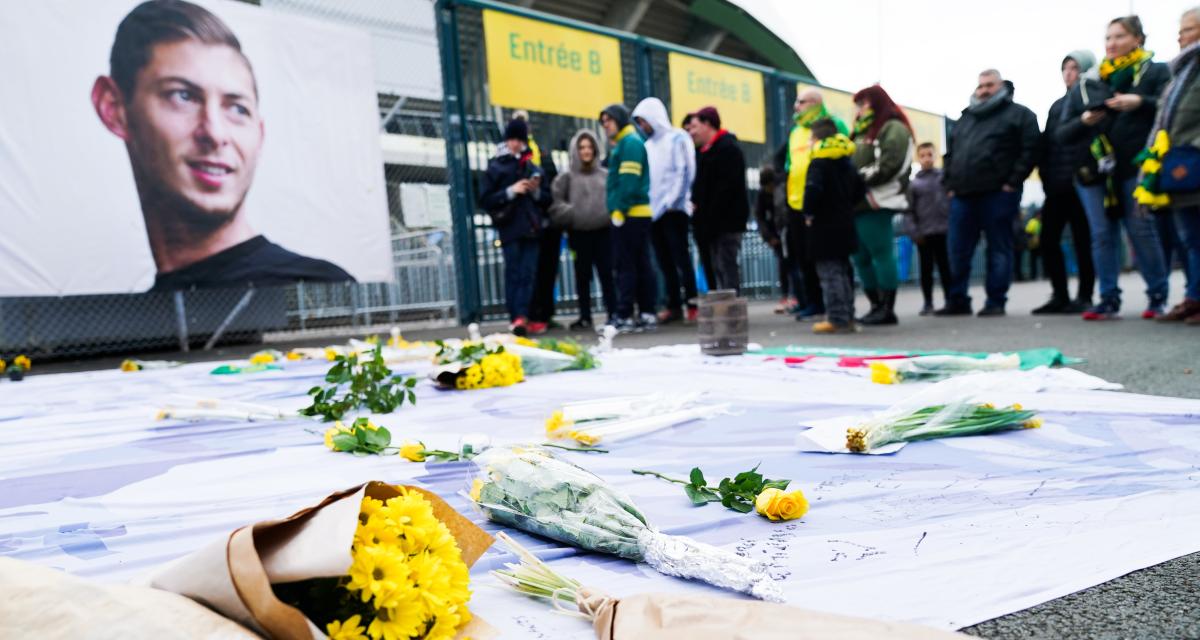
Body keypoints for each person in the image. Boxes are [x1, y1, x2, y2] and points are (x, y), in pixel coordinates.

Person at [91, 0, 353, 291]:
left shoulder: (314, 288)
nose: (215, 134)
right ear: (113, 108)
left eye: (238, 109)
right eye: (182, 96)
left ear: (259, 134)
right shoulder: (140, 311)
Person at [1059, 16, 1170, 320]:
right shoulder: (1090, 83)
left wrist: (1140, 102)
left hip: (1136, 167)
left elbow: (1169, 107)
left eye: (1119, 36)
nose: (1111, 43)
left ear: (1138, 39)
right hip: (1095, 173)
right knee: (1101, 235)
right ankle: (1108, 298)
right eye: (1108, 37)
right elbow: (1062, 132)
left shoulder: (1156, 72)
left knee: (1141, 230)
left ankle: (1157, 296)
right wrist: (1083, 121)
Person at [940, 69, 1040, 317]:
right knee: (957, 249)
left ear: (1001, 86)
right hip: (962, 194)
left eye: (990, 85)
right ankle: (957, 300)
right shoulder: (966, 118)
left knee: (998, 247)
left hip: (998, 193)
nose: (984, 90)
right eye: (981, 85)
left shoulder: (1020, 115)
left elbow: (1031, 150)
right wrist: (949, 185)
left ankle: (995, 301)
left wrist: (1012, 182)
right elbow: (951, 153)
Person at [1137, 7, 1200, 324]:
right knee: (1189, 238)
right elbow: (1162, 123)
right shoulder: (1180, 73)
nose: (1180, 37)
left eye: (1187, 29)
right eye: (1180, 30)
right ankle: (1194, 297)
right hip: (1179, 167)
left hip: (1192, 160)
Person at [775, 89, 851, 320]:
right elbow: (789, 164)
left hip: (824, 205)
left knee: (831, 259)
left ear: (816, 103)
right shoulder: (796, 131)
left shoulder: (833, 124)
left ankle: (840, 308)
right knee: (804, 256)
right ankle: (813, 302)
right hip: (797, 202)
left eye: (801, 102)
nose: (796, 106)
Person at [1033, 51, 1097, 314]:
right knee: (1048, 239)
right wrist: (1046, 177)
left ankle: (1085, 295)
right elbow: (1048, 143)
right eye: (1065, 68)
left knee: (1083, 241)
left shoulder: (1093, 99)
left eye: (1075, 68)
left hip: (1083, 182)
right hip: (1056, 185)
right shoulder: (1057, 106)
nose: (1069, 73)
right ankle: (1059, 294)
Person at [478, 118, 550, 336]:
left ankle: (524, 316)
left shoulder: (533, 167)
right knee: (514, 272)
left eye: (519, 140)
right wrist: (511, 191)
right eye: (512, 139)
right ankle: (517, 316)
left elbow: (547, 199)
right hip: (510, 227)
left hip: (531, 227)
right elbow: (485, 199)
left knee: (529, 273)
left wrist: (534, 191)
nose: (515, 144)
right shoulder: (496, 167)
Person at [850, 85, 915, 325]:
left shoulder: (893, 127)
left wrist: (855, 180)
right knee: (861, 257)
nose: (859, 109)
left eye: (863, 103)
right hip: (857, 202)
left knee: (880, 253)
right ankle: (875, 305)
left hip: (877, 200)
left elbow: (890, 164)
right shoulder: (861, 130)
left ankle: (887, 308)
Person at [631, 98, 698, 324]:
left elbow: (685, 170)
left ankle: (692, 303)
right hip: (654, 212)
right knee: (664, 261)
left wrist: (673, 201)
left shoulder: (678, 138)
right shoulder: (648, 146)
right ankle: (674, 304)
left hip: (674, 210)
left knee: (681, 258)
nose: (642, 126)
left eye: (643, 121)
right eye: (639, 122)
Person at [549, 130, 617, 330]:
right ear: (575, 151)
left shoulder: (606, 175)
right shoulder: (566, 178)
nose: (586, 151)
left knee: (607, 274)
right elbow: (555, 204)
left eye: (589, 147)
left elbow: (614, 199)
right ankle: (585, 316)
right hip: (578, 234)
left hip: (603, 233)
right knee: (582, 276)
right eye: (581, 147)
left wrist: (605, 213)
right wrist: (574, 213)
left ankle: (613, 313)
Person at [803, 119, 867, 334]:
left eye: (811, 138)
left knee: (829, 274)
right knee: (843, 271)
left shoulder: (819, 163)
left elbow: (812, 191)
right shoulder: (846, 161)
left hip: (824, 226)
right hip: (845, 222)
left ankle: (836, 318)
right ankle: (848, 315)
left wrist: (808, 212)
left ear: (817, 139)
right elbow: (860, 189)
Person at [599, 104, 657, 334]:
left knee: (627, 266)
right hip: (635, 214)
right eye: (603, 122)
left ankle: (626, 314)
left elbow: (628, 182)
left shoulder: (629, 143)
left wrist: (619, 210)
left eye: (609, 120)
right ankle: (645, 312)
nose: (605, 125)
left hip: (630, 215)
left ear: (620, 120)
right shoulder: (627, 142)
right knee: (639, 264)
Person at [689, 106, 749, 292]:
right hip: (707, 224)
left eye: (695, 126)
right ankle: (720, 304)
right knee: (714, 268)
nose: (691, 132)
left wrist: (708, 213)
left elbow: (727, 189)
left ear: (708, 124)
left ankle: (730, 305)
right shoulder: (702, 152)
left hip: (726, 223)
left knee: (725, 266)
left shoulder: (728, 149)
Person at [516, 111, 561, 335]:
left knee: (547, 270)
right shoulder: (511, 160)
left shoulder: (542, 154)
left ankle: (545, 314)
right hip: (526, 225)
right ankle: (529, 315)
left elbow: (552, 189)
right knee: (528, 272)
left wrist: (538, 192)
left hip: (545, 222)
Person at [906, 142, 952, 315]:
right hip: (924, 234)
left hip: (944, 231)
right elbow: (908, 210)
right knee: (926, 270)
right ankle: (928, 302)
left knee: (946, 267)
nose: (927, 159)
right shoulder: (914, 184)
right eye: (923, 155)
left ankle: (950, 300)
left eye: (930, 155)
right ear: (918, 158)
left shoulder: (944, 179)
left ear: (935, 156)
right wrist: (914, 231)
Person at [754, 166, 799, 313]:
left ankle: (795, 295)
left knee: (792, 264)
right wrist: (769, 236)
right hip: (775, 233)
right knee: (784, 265)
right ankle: (787, 295)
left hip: (787, 230)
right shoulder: (763, 195)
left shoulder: (782, 188)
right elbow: (760, 217)